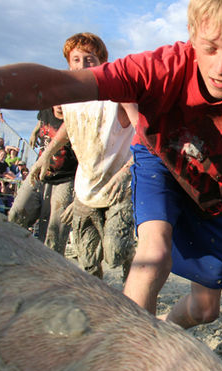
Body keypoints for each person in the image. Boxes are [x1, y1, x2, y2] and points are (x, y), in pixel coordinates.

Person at [0, 0, 222, 328]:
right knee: (154, 254)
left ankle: (157, 334)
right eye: (211, 48)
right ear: (193, 34)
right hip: (160, 161)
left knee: (205, 310)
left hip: (215, 188)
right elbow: (62, 84)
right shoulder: (161, 67)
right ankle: (125, 355)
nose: (221, 67)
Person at [28, 33, 136, 279]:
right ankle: (98, 303)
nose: (82, 65)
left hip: (119, 187)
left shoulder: (118, 94)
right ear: (69, 64)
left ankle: (133, 270)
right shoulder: (69, 99)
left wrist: (126, 172)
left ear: (102, 62)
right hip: (86, 190)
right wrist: (47, 154)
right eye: (76, 59)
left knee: (116, 251)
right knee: (88, 260)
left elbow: (144, 135)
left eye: (90, 59)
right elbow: (70, 126)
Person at [8, 105, 77, 255]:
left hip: (65, 179)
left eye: (65, 102)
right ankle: (11, 253)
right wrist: (33, 133)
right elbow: (41, 122)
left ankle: (49, 268)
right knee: (16, 214)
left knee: (55, 232)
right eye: (57, 101)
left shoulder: (76, 118)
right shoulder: (46, 110)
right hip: (39, 174)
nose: (60, 106)